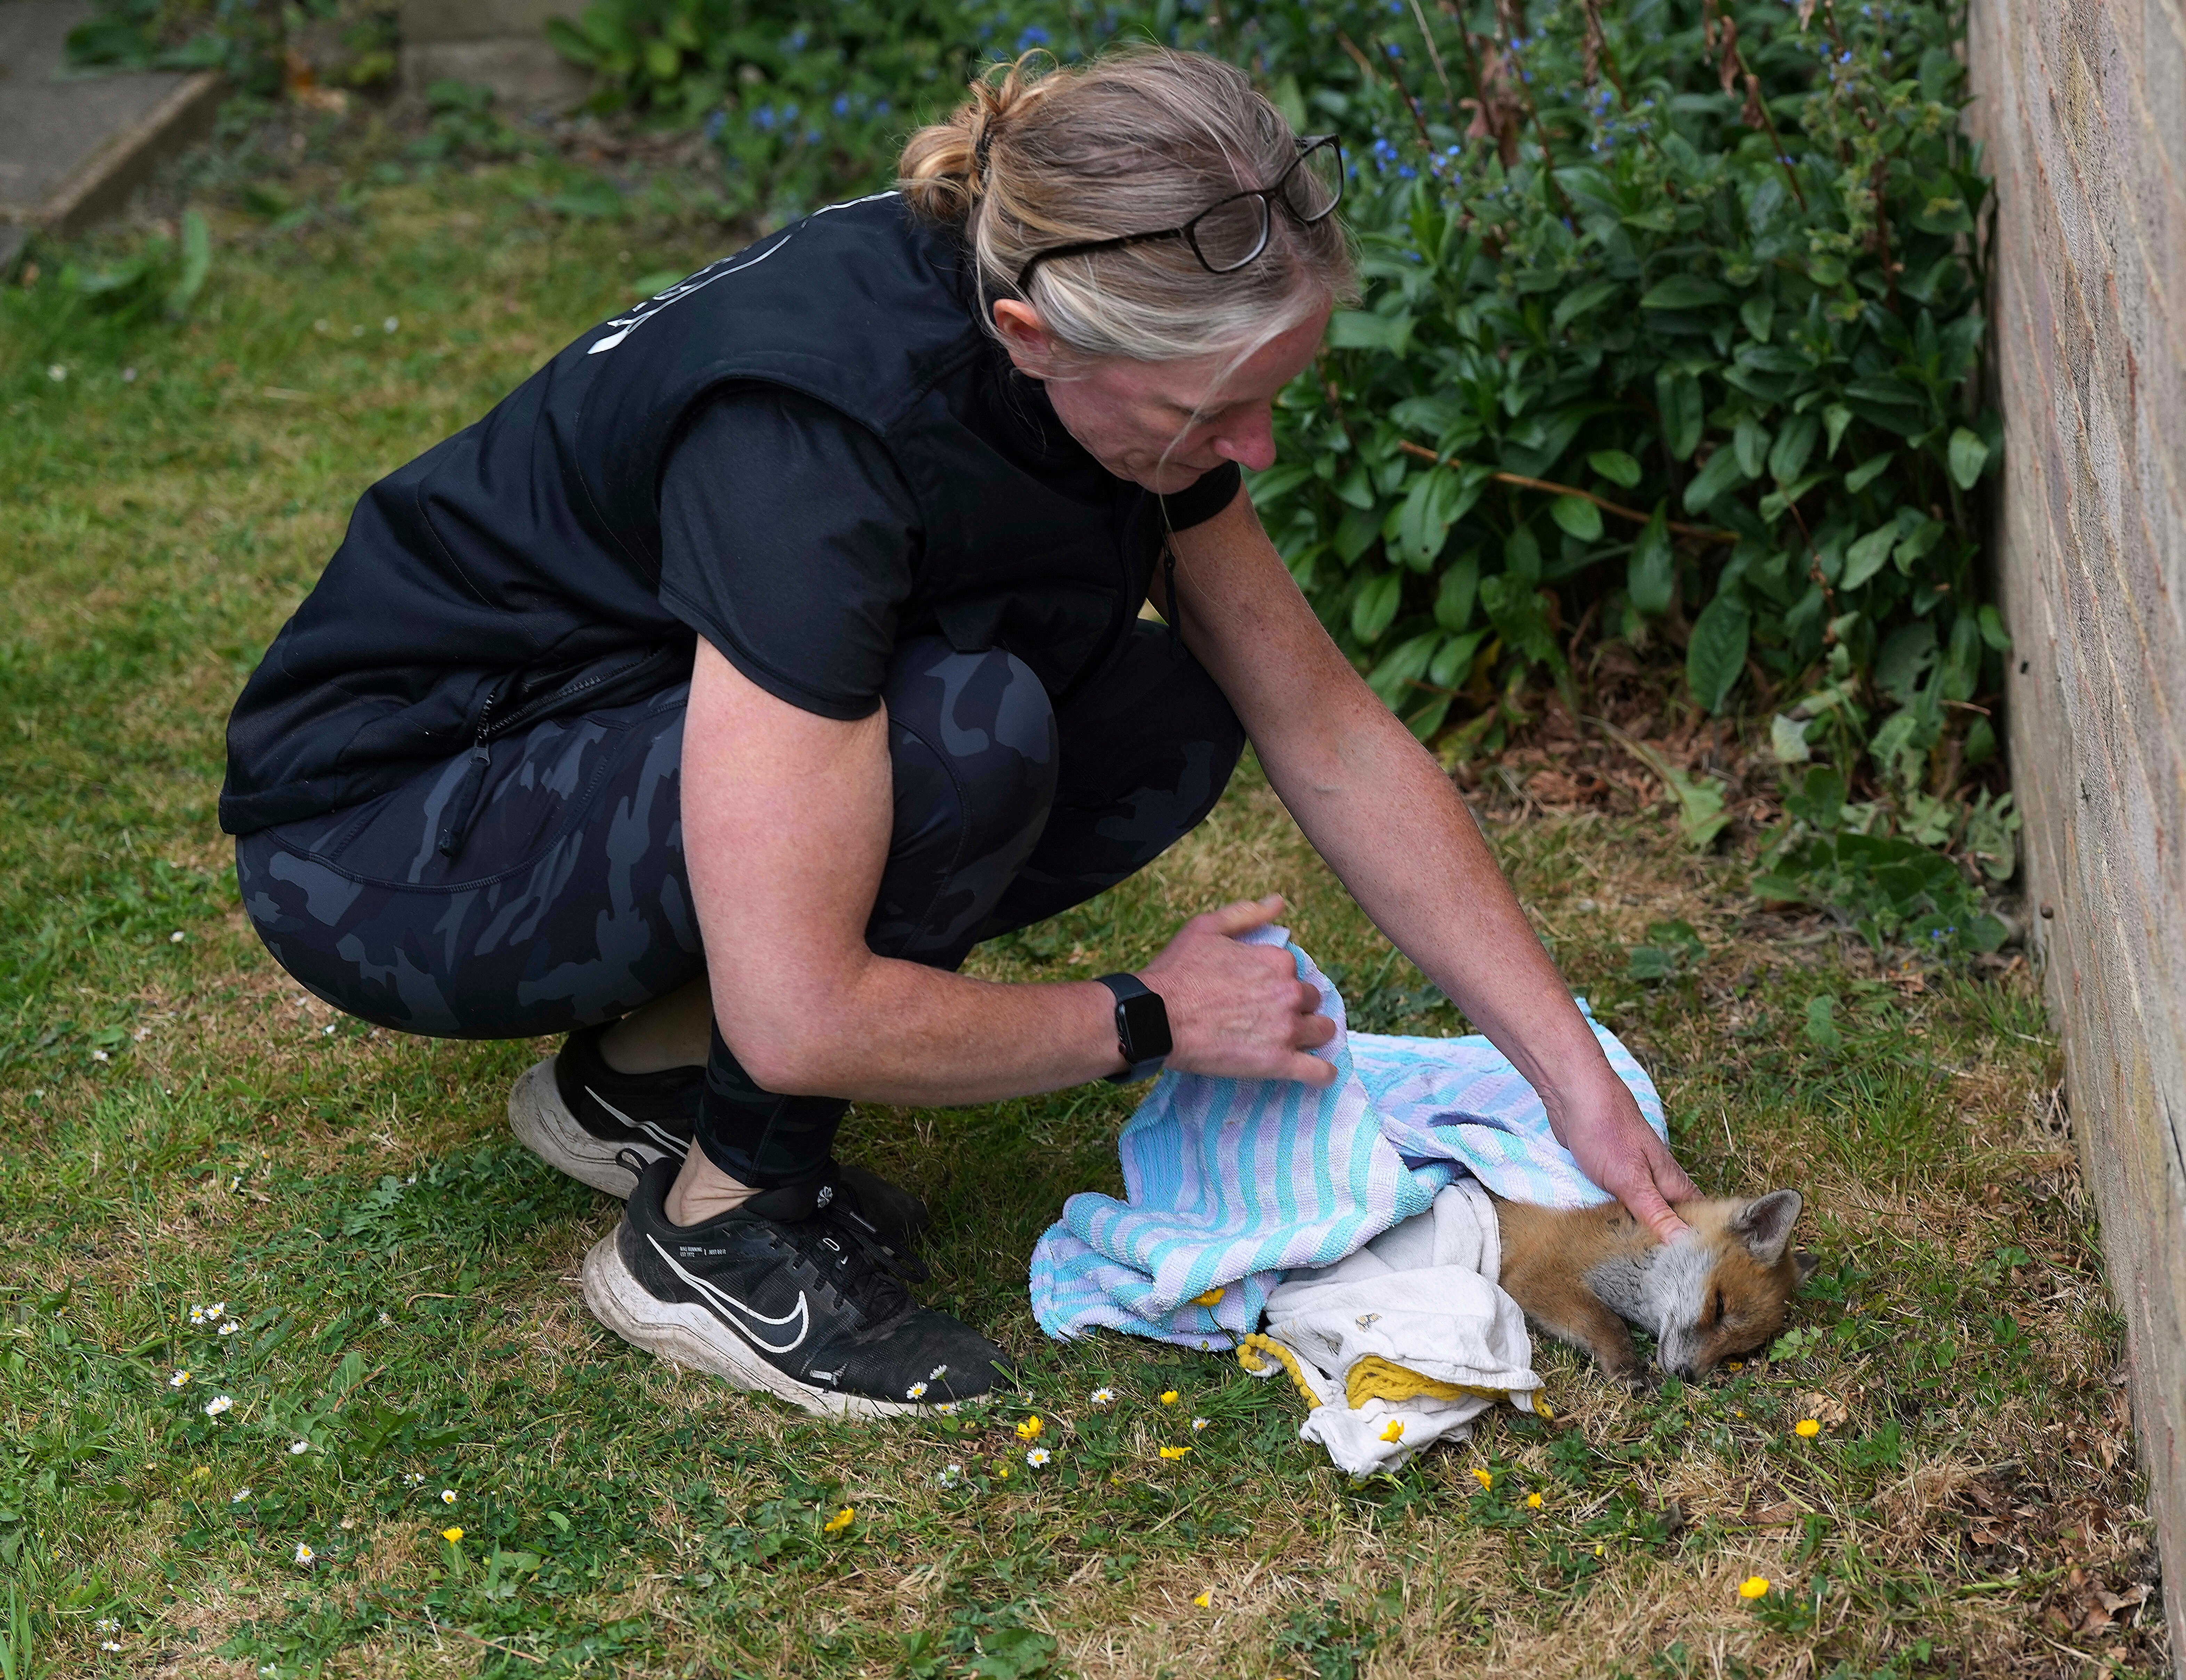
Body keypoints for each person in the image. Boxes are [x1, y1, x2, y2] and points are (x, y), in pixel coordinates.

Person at [219, 44, 1698, 1419]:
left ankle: (644, 1081)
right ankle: (717, 1234)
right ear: (1028, 335)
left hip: (588, 733)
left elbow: (1328, 730)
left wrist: (1571, 1078)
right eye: (1217, 410)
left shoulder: (1081, 325)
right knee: (971, 733)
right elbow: (806, 1009)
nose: (1252, 450)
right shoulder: (818, 446)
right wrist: (1148, 1019)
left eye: (1270, 396)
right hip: (395, 839)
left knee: (1161, 709)